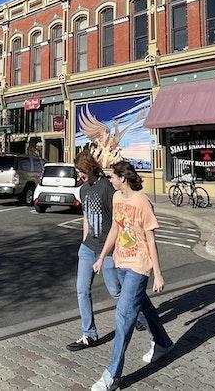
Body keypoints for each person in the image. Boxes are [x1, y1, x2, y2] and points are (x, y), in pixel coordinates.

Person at [90, 161, 174, 391]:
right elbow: (115, 229)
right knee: (144, 306)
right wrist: (102, 257)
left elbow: (151, 240)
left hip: (139, 265)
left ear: (123, 178)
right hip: (120, 262)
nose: (110, 180)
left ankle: (113, 375)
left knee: (124, 316)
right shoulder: (117, 198)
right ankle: (163, 343)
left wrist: (157, 274)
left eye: (113, 177)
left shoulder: (142, 202)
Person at [67, 150, 146, 352]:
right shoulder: (83, 189)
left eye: (80, 171)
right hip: (88, 248)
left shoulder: (107, 188)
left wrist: (115, 249)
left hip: (108, 249)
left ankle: (140, 317)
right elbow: (86, 217)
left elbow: (117, 221)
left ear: (88, 168)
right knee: (82, 290)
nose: (79, 175)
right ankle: (89, 334)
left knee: (116, 291)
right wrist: (84, 241)